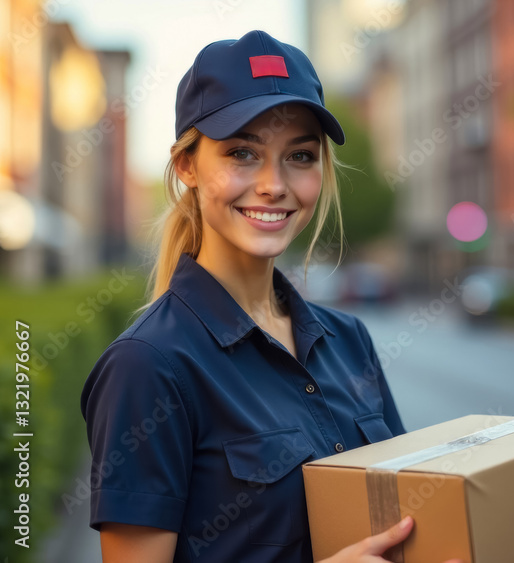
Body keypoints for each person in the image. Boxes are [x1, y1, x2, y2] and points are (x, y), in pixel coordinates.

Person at [80, 30, 461, 563]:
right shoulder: (148, 367)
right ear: (187, 166)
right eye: (242, 153)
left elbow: (407, 522)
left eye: (299, 156)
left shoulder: (349, 340)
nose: (273, 184)